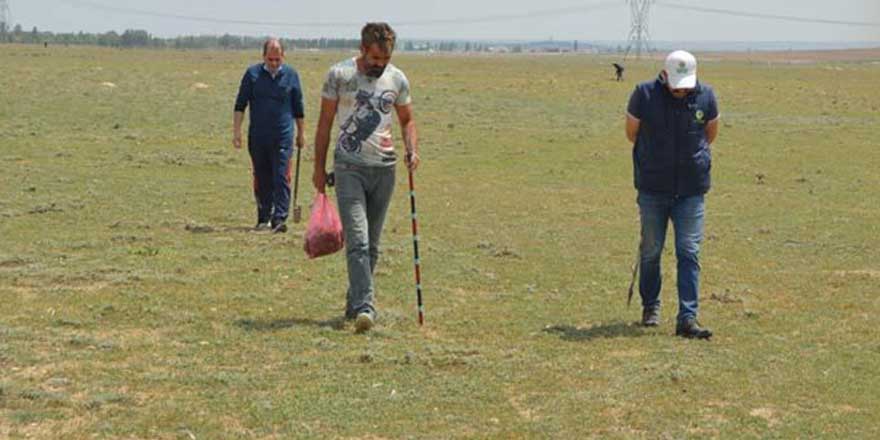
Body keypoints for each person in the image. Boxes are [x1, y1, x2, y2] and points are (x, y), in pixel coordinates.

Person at [312, 22, 419, 333]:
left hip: (385, 169)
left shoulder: (397, 79)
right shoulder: (339, 76)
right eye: (374, 59)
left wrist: (412, 148)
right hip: (349, 168)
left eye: (384, 60)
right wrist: (319, 168)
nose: (379, 66)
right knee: (357, 240)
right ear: (362, 49)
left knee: (372, 245)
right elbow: (324, 124)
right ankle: (366, 307)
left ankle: (354, 302)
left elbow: (408, 120)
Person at [625, 50, 720, 339]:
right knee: (651, 251)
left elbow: (710, 134)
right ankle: (651, 306)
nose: (681, 90)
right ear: (664, 75)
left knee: (689, 252)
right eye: (676, 83)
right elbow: (632, 133)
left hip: (691, 190)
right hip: (653, 188)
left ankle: (687, 318)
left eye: (686, 84)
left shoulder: (706, 96)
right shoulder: (644, 94)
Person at [233, 38, 306, 233]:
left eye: (277, 59)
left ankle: (279, 219)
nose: (273, 64)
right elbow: (240, 105)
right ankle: (263, 217)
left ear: (283, 56)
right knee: (262, 177)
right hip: (258, 137)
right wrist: (237, 132)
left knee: (281, 176)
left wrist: (301, 133)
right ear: (263, 56)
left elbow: (298, 108)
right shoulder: (252, 75)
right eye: (270, 59)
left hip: (283, 136)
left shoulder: (291, 75)